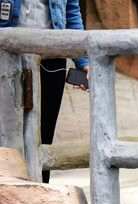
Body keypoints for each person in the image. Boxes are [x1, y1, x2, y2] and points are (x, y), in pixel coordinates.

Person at [0, 0, 89, 183]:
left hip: (51, 56)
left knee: (43, 136)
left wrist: (83, 61)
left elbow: (71, 11)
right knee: (5, 134)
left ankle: (41, 193)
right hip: (7, 54)